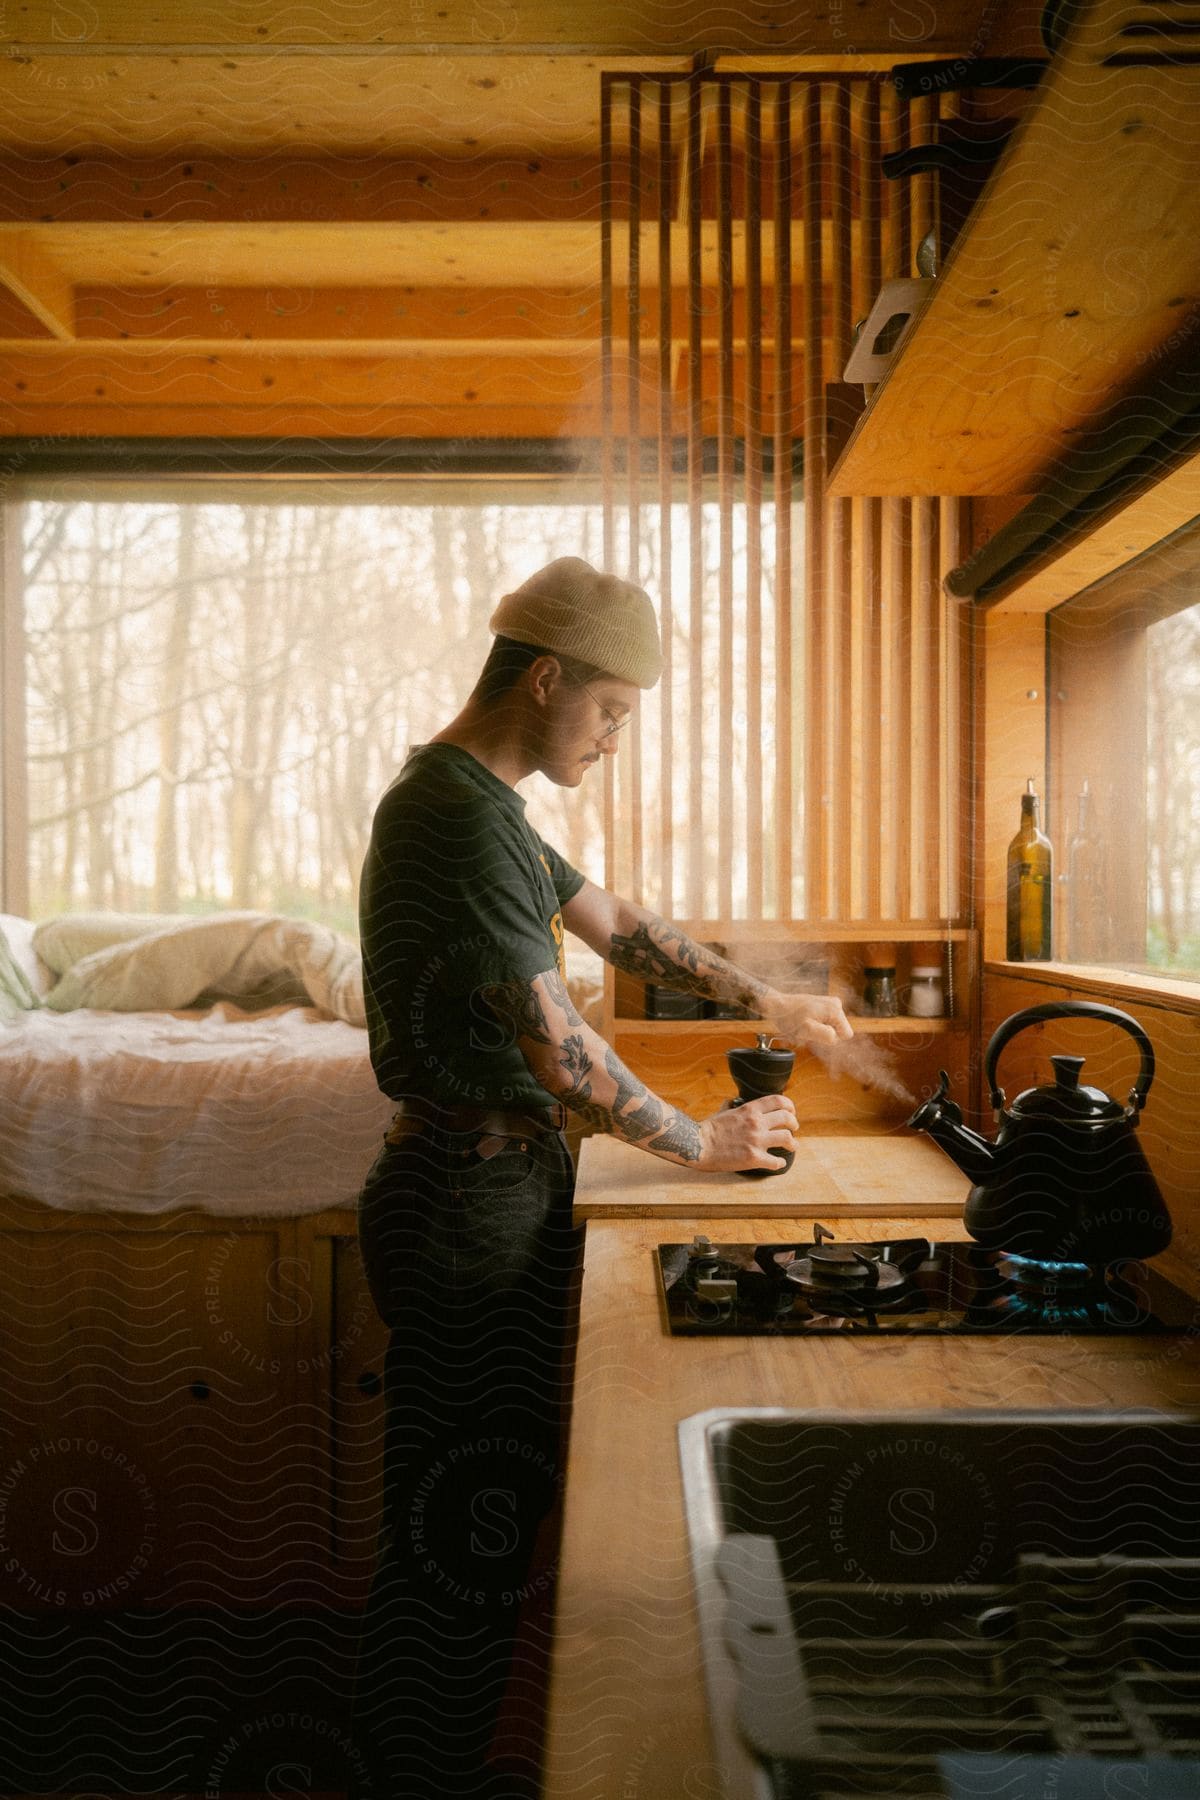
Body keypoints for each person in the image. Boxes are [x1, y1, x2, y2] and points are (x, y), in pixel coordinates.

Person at [351, 557, 851, 1798]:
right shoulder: (452, 818)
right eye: (612, 711)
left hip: (492, 1193)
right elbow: (554, 1042)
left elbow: (619, 924)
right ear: (544, 677)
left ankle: (432, 1764)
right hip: (464, 1204)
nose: (618, 739)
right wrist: (703, 1142)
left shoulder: (485, 805)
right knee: (453, 1536)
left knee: (479, 1514)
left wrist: (764, 991)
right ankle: (411, 1774)